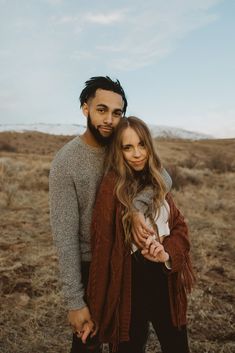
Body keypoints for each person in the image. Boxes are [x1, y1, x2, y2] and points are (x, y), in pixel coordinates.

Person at [49, 77, 172, 353]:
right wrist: (74, 302)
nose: (109, 119)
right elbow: (65, 237)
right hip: (90, 266)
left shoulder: (124, 148)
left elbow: (163, 177)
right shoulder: (65, 162)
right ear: (85, 109)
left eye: (117, 113)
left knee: (130, 341)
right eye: (101, 109)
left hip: (129, 261)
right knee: (86, 344)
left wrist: (135, 209)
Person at [87, 116, 195, 353]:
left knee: (177, 346)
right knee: (130, 346)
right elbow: (102, 249)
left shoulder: (158, 182)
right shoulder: (111, 188)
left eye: (142, 145)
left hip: (166, 282)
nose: (137, 154)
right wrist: (94, 308)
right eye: (128, 147)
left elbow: (180, 229)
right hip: (129, 285)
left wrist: (166, 253)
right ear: (119, 151)